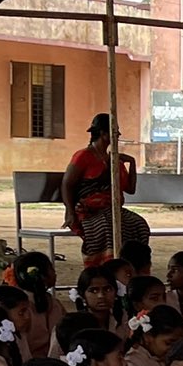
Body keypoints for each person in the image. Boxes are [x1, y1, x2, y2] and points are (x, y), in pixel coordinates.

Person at [61, 113, 150, 266]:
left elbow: (130, 189)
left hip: (113, 210)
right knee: (108, 226)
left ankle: (131, 269)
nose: (119, 135)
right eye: (115, 131)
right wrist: (69, 212)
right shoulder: (83, 156)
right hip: (87, 212)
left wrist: (132, 163)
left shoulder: (113, 159)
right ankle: (105, 269)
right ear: (103, 133)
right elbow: (67, 184)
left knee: (139, 224)